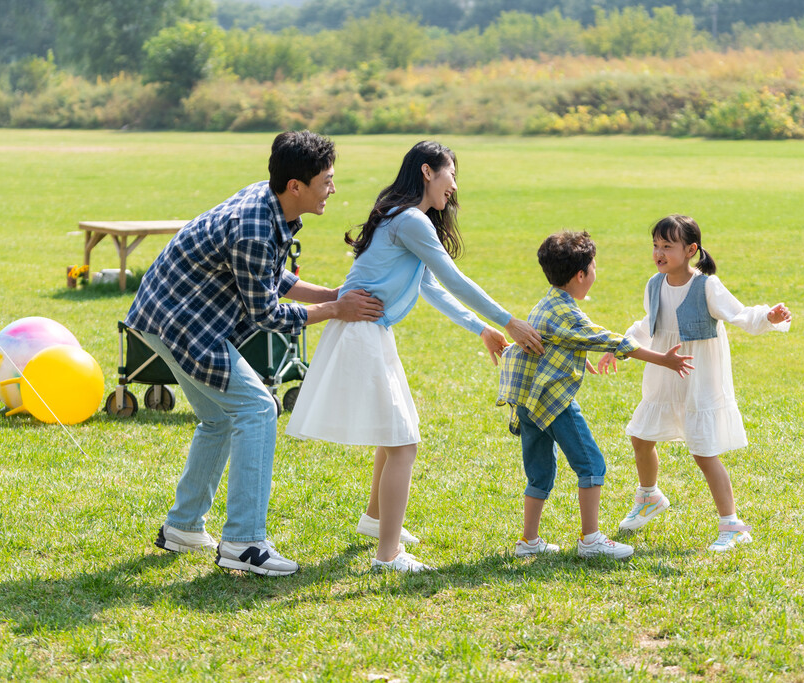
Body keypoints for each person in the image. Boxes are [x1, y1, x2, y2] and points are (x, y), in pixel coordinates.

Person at [126, 131, 384, 576]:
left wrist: (330, 293)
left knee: (221, 417)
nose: (333, 189)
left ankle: (183, 527)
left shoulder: (268, 201)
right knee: (258, 408)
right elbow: (264, 311)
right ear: (296, 186)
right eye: (327, 180)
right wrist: (334, 309)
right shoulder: (255, 225)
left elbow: (269, 274)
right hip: (181, 322)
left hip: (167, 314)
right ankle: (244, 544)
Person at [285, 140, 545, 572]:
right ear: (428, 172)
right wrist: (509, 321)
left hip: (371, 330)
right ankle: (388, 556)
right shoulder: (409, 220)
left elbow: (429, 286)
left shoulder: (405, 218)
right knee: (403, 443)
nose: (454, 186)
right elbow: (454, 278)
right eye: (451, 174)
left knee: (397, 437)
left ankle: (376, 520)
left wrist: (480, 328)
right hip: (361, 330)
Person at [599, 214, 791, 552]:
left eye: (667, 246)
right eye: (655, 246)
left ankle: (733, 525)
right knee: (640, 436)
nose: (659, 253)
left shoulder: (707, 286)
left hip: (698, 375)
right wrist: (622, 346)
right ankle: (649, 496)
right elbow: (650, 322)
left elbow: (740, 314)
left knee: (703, 452)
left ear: (691, 250)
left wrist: (768, 317)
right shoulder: (654, 284)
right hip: (664, 374)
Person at [497, 231, 693, 560]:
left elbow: (551, 338)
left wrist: (576, 356)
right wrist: (664, 359)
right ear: (581, 275)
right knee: (592, 465)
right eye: (594, 267)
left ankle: (528, 541)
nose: (595, 273)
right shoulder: (571, 314)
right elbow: (612, 340)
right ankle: (591, 540)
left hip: (529, 402)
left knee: (540, 472)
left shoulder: (547, 302)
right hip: (554, 402)